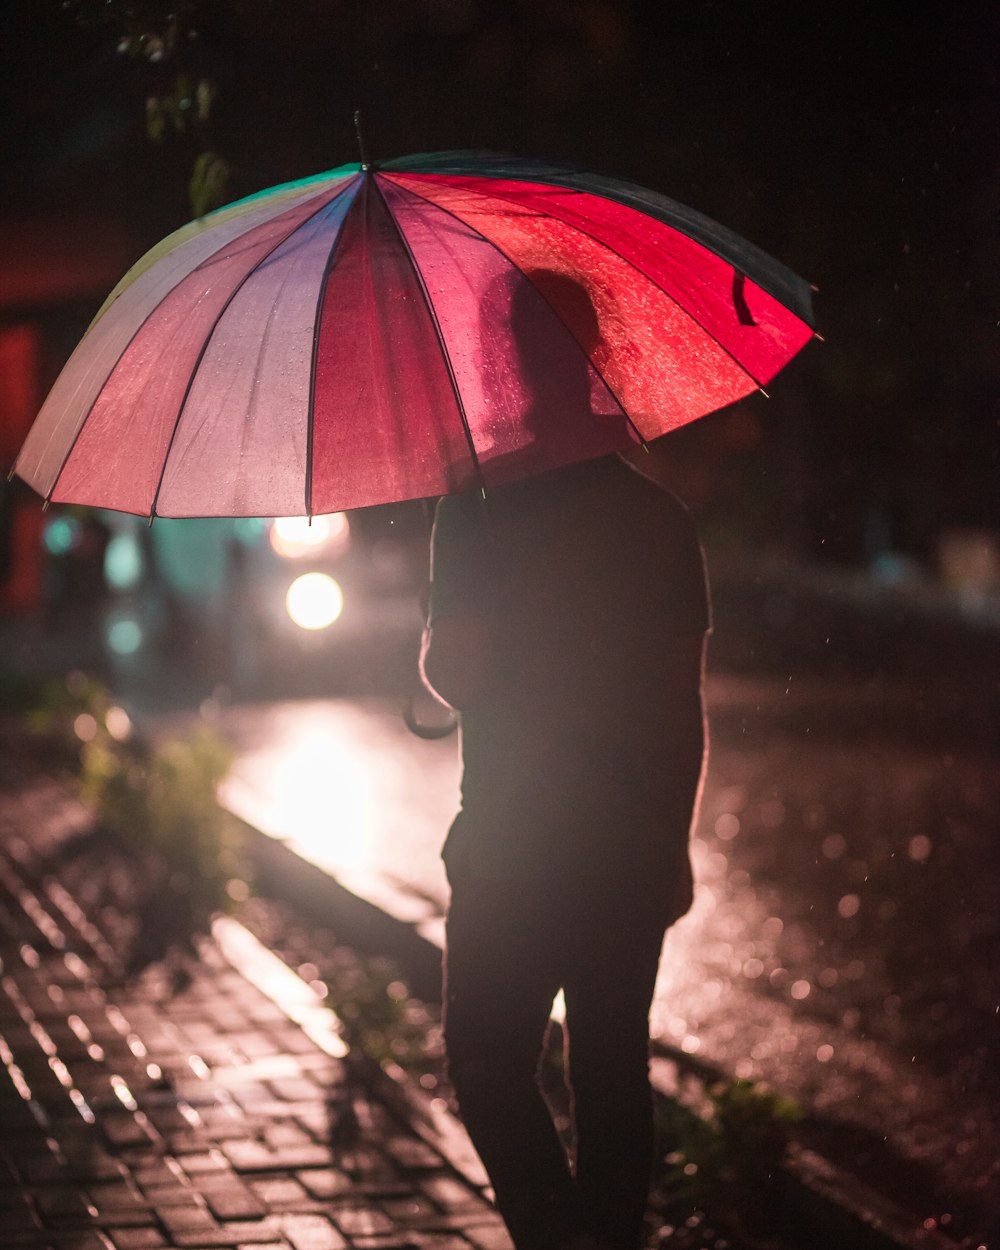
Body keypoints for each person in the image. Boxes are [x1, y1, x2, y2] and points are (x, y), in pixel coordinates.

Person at [419, 270, 711, 1250]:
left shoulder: (477, 508)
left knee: (489, 1063)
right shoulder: (657, 521)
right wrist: (671, 843)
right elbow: (680, 704)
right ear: (595, 359)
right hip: (626, 836)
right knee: (611, 1078)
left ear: (500, 362)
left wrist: (426, 660)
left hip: (513, 839)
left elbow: (459, 673)